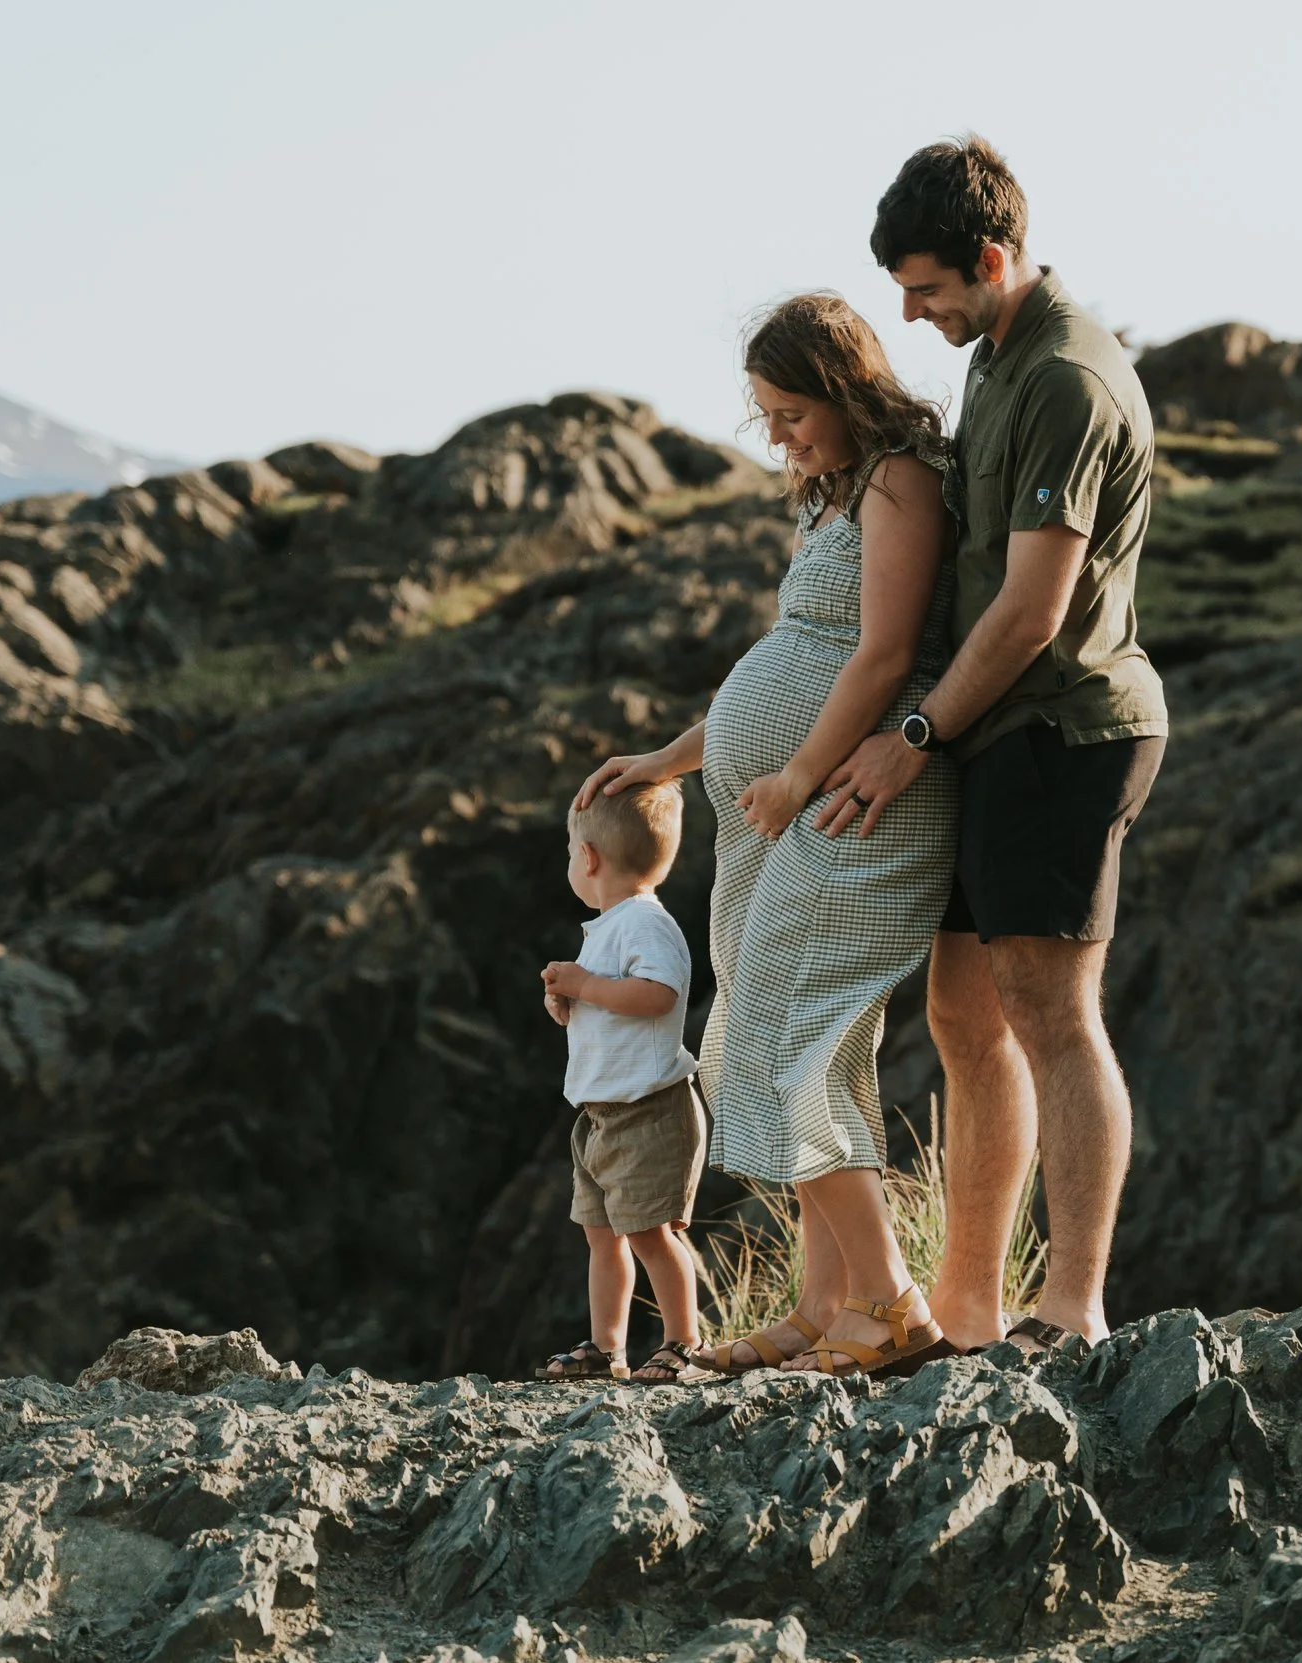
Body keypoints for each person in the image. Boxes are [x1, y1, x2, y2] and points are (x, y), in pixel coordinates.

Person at [814, 135, 1168, 1357]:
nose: (910, 315)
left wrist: (910, 734)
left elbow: (1032, 608)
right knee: (963, 1015)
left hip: (1064, 728)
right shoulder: (1001, 360)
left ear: (991, 258)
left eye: (924, 289)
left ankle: (1071, 1302)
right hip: (993, 735)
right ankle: (967, 1307)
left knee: (1050, 1008)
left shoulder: (1066, 374)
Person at [574, 294, 959, 1378]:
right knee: (774, 1038)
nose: (779, 434)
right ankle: (821, 1306)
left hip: (849, 796)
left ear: (845, 388)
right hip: (790, 806)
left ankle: (888, 1305)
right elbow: (794, 653)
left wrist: (793, 771)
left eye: (793, 410)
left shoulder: (901, 480)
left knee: (784, 1043)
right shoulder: (833, 496)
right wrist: (670, 759)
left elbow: (880, 656)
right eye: (766, 415)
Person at [533, 780, 706, 1384]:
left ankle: (685, 1341)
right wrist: (571, 1004)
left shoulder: (645, 923)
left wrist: (585, 987)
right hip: (600, 1115)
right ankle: (608, 1348)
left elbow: (658, 996)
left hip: (650, 1110)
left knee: (651, 1235)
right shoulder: (611, 927)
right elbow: (616, 1005)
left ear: (589, 858)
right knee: (602, 1236)